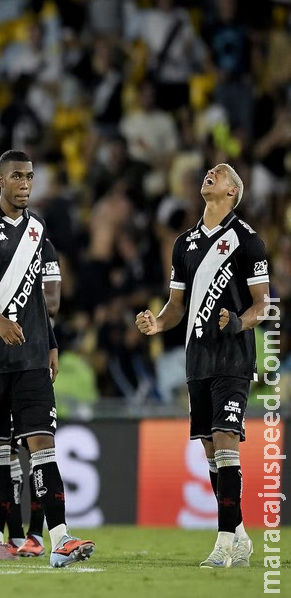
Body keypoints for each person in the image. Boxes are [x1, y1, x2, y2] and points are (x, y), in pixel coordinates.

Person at [0, 149, 94, 568]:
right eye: (17, 176)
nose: (24, 184)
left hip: (32, 358)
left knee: (43, 447)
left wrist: (50, 342)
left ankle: (60, 540)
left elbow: (37, 296)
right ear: (1, 181)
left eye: (30, 177)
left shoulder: (38, 229)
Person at [136, 163, 267, 568]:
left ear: (232, 193)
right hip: (198, 359)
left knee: (225, 439)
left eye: (221, 173)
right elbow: (176, 306)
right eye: (210, 171)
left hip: (233, 357)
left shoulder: (247, 241)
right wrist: (158, 323)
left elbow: (263, 304)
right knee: (211, 450)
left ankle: (224, 541)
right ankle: (241, 535)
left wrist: (238, 322)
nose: (211, 172)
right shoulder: (185, 244)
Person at [0, 236, 62, 560]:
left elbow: (54, 301)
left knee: (34, 446)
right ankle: (14, 534)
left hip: (31, 356)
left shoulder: (42, 243)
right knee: (4, 448)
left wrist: (47, 339)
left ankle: (35, 533)